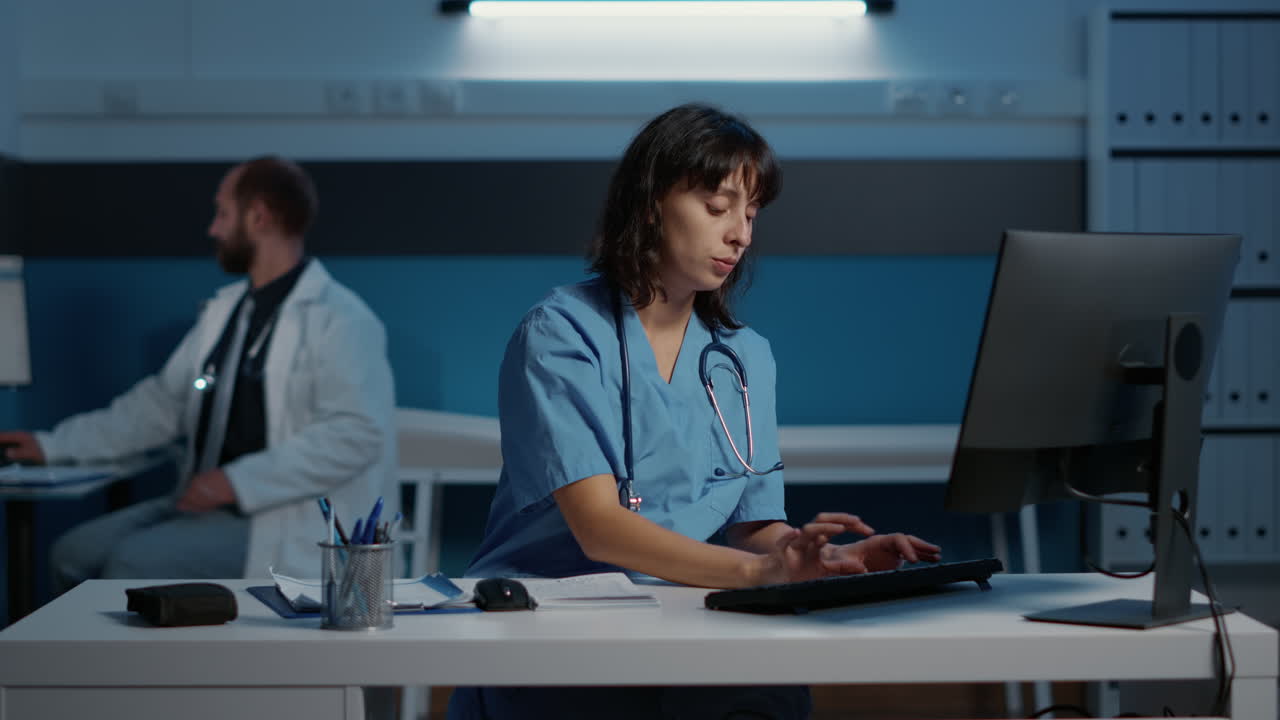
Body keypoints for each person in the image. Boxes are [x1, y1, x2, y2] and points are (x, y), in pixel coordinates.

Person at [447, 104, 941, 720]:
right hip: (550, 620)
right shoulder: (562, 335)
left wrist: (815, 562)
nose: (741, 234)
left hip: (679, 614)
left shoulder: (743, 356)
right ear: (651, 202)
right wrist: (762, 574)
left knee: (771, 694)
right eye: (717, 208)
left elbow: (754, 525)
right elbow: (599, 529)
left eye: (751, 214)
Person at [0, 155, 397, 587]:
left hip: (279, 515)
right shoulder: (224, 313)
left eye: (223, 213)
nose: (213, 229)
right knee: (71, 555)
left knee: (131, 567)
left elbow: (355, 434)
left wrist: (233, 482)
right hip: (199, 503)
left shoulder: (340, 319)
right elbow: (159, 405)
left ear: (258, 216)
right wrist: (52, 445)